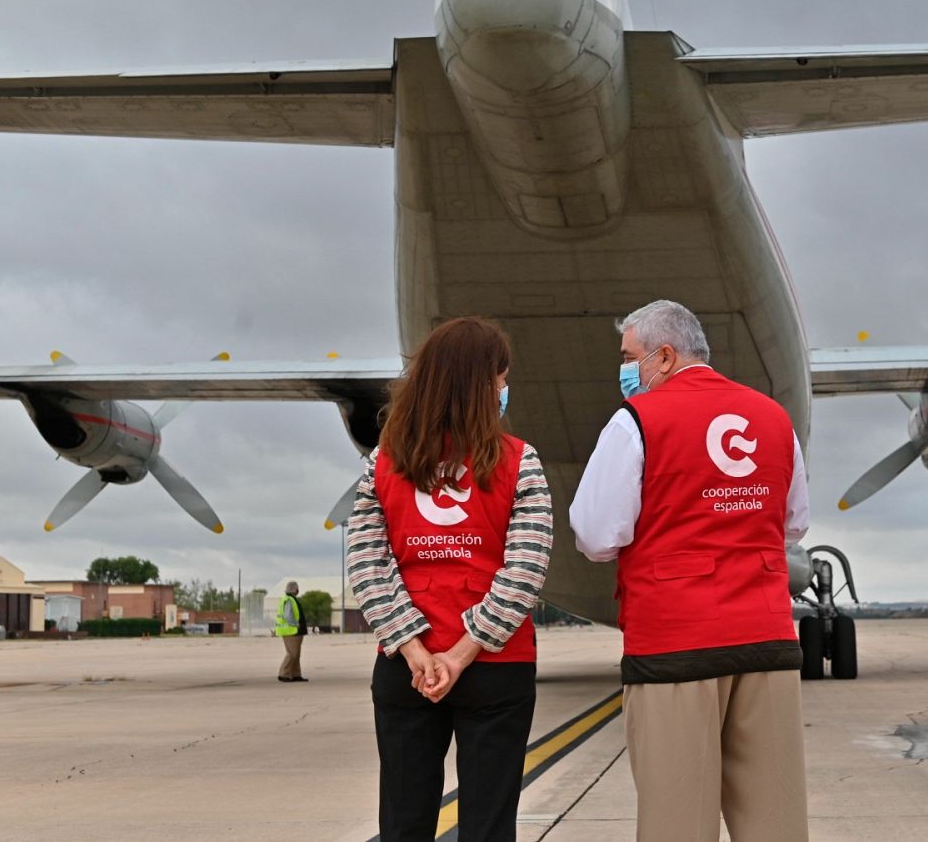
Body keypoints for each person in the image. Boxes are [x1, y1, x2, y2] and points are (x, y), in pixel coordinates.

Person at [571, 299, 810, 842]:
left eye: (630, 356)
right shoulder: (774, 417)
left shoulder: (635, 422)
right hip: (767, 640)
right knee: (777, 822)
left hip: (675, 646)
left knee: (676, 822)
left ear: (664, 355)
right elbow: (793, 524)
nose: (626, 369)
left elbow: (595, 534)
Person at [346, 316, 552, 842]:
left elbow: (367, 568)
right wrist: (462, 654)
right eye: (501, 381)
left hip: (405, 670)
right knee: (488, 823)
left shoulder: (382, 463)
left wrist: (416, 652)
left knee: (403, 820)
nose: (505, 391)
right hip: (496, 666)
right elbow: (524, 570)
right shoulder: (520, 460)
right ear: (482, 385)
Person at [275, 581, 308, 682]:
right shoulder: (289, 600)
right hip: (291, 632)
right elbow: (287, 615)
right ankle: (283, 674)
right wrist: (296, 624)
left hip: (295, 632)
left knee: (296, 654)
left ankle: (295, 674)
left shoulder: (291, 599)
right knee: (292, 654)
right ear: (295, 589)